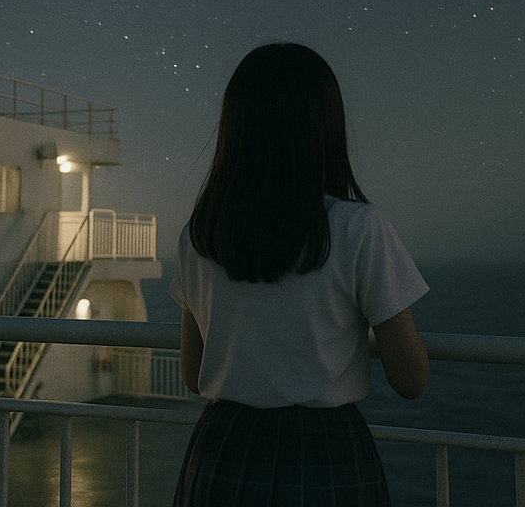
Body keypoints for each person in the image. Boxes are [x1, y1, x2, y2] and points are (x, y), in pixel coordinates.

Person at [169, 43, 429, 506]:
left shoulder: (200, 235)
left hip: (223, 454)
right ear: (325, 128)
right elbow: (411, 378)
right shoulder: (357, 229)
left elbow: (193, 373)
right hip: (325, 457)